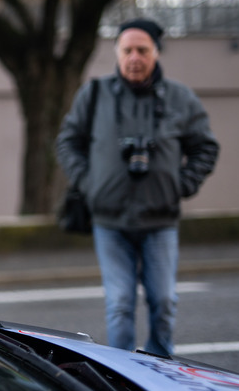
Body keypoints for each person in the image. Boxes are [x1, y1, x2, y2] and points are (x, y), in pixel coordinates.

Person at [56, 18, 219, 356]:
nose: (134, 57)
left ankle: (160, 368)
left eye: (142, 50)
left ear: (156, 53)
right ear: (117, 53)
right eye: (127, 50)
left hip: (160, 220)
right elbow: (68, 142)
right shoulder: (95, 93)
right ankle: (122, 376)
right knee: (120, 303)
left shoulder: (179, 98)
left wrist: (182, 185)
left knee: (164, 301)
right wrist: (90, 184)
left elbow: (206, 147)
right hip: (109, 221)